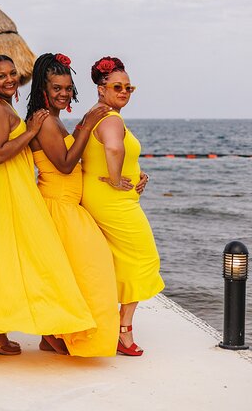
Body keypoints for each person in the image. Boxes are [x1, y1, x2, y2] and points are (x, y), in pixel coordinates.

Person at [0, 54, 96, 355]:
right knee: (5, 258)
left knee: (13, 259)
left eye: (12, 73)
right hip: (1, 190)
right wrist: (31, 132)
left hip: (9, 187)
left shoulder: (2, 106)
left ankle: (31, 327)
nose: (9, 79)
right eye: (1, 76)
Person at [27, 52, 119, 356]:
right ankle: (66, 334)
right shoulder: (44, 121)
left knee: (69, 275)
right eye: (57, 88)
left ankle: (53, 335)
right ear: (43, 88)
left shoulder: (53, 119)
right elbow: (66, 164)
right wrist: (86, 124)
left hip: (66, 206)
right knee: (92, 269)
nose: (64, 93)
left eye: (68, 88)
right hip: (58, 206)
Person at [81, 56, 164, 356]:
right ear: (101, 89)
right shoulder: (111, 118)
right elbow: (114, 148)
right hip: (113, 200)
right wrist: (117, 180)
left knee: (114, 260)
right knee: (144, 258)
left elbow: (111, 152)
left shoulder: (96, 115)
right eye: (117, 87)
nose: (124, 92)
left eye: (129, 87)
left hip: (103, 195)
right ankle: (122, 329)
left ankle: (106, 323)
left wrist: (135, 173)